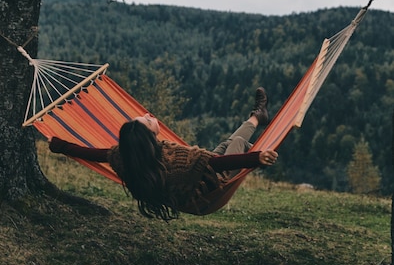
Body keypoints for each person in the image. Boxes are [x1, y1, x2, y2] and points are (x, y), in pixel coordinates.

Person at [49, 87, 278, 221]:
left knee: (227, 142)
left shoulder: (126, 156)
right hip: (210, 192)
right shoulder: (175, 160)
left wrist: (59, 145)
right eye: (147, 120)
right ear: (150, 137)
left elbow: (92, 153)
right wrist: (255, 159)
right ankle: (257, 121)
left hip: (201, 177)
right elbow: (217, 165)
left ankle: (258, 116)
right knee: (237, 142)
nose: (149, 115)